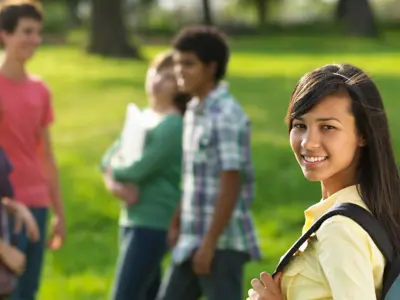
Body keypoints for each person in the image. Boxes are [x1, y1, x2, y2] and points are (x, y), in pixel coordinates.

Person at [247, 63, 400, 300]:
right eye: (300, 125)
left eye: (328, 127)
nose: (308, 142)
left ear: (364, 135)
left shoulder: (339, 229)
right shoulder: (376, 207)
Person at [158, 25, 261, 300]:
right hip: (191, 238)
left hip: (221, 244)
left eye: (189, 64)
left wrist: (209, 244)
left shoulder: (225, 115)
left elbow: (231, 182)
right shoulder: (193, 110)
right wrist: (178, 218)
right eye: (177, 63)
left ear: (211, 67)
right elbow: (195, 177)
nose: (179, 70)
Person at [100, 50, 191, 300]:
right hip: (130, 219)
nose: (158, 78)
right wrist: (114, 185)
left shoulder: (174, 125)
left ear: (180, 87)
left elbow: (137, 169)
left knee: (124, 295)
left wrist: (115, 172)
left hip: (154, 221)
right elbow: (106, 159)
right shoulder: (142, 117)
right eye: (155, 70)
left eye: (169, 76)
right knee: (148, 293)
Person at [0, 1, 66, 299]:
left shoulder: (41, 89)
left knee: (28, 292)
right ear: (5, 34)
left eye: (38, 33)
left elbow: (46, 154)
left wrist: (59, 213)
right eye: (27, 32)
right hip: (6, 205)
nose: (34, 40)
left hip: (37, 204)